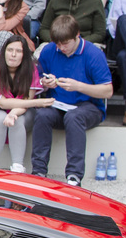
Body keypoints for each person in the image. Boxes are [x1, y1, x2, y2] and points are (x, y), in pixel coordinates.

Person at [29, 14, 114, 185]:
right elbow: (39, 80)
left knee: (74, 117)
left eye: (65, 43)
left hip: (89, 106)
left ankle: (74, 175)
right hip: (58, 104)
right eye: (57, 44)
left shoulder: (93, 54)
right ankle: (38, 170)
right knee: (42, 115)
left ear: (77, 36)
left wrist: (79, 86)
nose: (61, 48)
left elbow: (108, 91)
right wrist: (46, 84)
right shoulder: (48, 50)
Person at [0, 35, 47, 172]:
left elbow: (27, 101)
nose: (13, 55)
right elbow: (2, 103)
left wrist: (14, 113)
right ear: (4, 51)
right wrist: (38, 102)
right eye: (10, 50)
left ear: (24, 54)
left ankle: (17, 166)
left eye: (19, 51)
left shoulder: (31, 69)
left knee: (17, 120)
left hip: (23, 111)